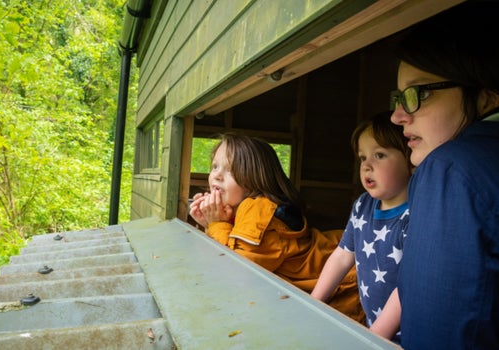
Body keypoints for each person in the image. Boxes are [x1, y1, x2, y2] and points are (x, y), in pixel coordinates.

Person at [389, 2, 499, 348]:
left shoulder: (451, 169)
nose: (397, 116)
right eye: (399, 97)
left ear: (485, 97)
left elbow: (435, 332)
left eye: (418, 93)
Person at [189, 133, 365, 323]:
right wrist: (210, 223)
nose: (217, 175)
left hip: (349, 285)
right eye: (215, 166)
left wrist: (216, 224)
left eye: (230, 170)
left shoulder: (258, 208)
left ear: (254, 178)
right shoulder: (241, 209)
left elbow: (235, 273)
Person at [311, 111, 412, 343]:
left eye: (379, 155)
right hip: (371, 327)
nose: (367, 166)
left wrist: (375, 337)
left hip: (404, 337)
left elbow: (406, 287)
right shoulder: (363, 205)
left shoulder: (414, 213)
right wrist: (314, 300)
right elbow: (342, 256)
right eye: (362, 157)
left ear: (410, 159)